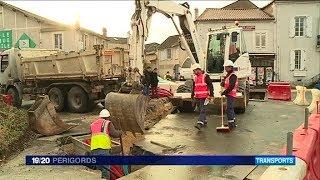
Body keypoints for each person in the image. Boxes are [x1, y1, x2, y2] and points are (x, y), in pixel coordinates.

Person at [90, 109, 122, 179]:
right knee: (105, 170)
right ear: (108, 117)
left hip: (94, 150)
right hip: (103, 149)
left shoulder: (92, 124)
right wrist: (120, 132)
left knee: (99, 169)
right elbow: (114, 134)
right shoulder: (108, 123)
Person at [191, 63, 214, 129]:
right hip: (197, 97)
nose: (194, 72)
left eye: (194, 70)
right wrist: (192, 95)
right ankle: (204, 120)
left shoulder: (205, 76)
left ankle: (200, 123)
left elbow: (210, 86)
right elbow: (194, 87)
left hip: (204, 97)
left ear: (198, 70)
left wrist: (211, 95)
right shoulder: (195, 78)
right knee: (200, 109)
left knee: (202, 110)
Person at [221, 60, 238, 129]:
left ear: (230, 67)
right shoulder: (229, 75)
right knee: (230, 108)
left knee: (229, 109)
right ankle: (233, 123)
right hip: (229, 94)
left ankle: (231, 124)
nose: (225, 68)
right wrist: (223, 83)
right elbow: (227, 84)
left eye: (226, 67)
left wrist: (224, 92)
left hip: (231, 94)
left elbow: (231, 86)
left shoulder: (233, 75)